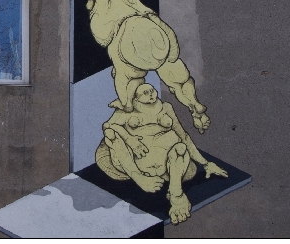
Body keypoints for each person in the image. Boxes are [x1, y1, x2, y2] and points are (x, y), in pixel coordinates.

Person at [47, 0, 210, 133]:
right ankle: (194, 105)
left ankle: (127, 106)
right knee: (177, 77)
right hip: (153, 28)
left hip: (125, 38)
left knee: (127, 80)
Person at [96, 83, 228, 225]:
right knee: (112, 136)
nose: (151, 94)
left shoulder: (166, 107)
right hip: (136, 163)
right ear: (136, 98)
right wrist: (130, 140)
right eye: (145, 93)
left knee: (181, 148)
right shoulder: (126, 110)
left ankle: (176, 194)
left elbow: (183, 136)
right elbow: (107, 127)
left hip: (168, 166)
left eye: (152, 90)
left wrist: (205, 163)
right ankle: (140, 178)